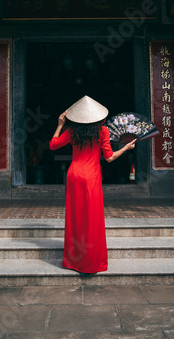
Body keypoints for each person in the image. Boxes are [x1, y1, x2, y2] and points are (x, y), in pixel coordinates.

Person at [49, 95, 136, 274]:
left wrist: (59, 124)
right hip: (91, 176)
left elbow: (53, 145)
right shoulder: (103, 131)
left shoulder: (72, 130)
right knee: (92, 218)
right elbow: (109, 157)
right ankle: (92, 261)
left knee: (76, 217)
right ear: (99, 117)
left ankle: (74, 260)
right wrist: (126, 148)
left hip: (74, 175)